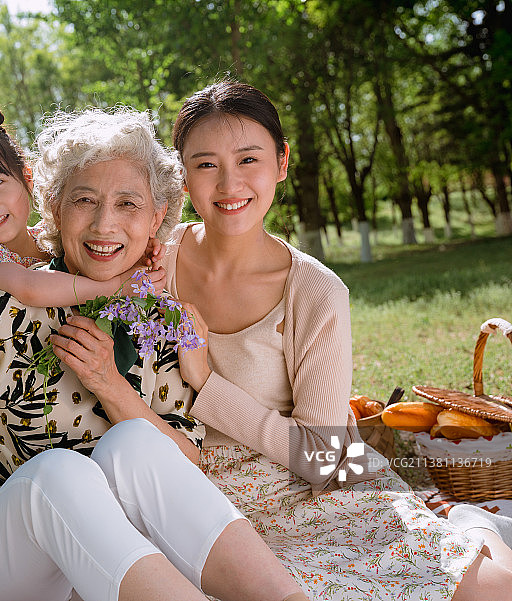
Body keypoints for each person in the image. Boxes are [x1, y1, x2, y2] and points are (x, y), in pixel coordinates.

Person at [0, 107, 309, 601]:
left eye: (128, 204)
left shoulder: (156, 320)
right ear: (55, 210)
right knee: (60, 472)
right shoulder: (10, 302)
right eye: (85, 200)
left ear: (156, 219)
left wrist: (108, 382)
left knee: (136, 443)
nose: (105, 224)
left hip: (101, 560)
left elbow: (184, 458)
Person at [166, 80, 512, 600]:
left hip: (315, 484)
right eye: (206, 164)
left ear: (282, 163)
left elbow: (328, 457)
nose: (229, 183)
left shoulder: (316, 291)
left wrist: (206, 383)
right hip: (198, 492)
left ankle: (471, 525)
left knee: (494, 590)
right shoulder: (155, 258)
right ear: (182, 175)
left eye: (248, 159)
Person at [0, 105, 166, 601]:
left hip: (16, 386)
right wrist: (118, 282)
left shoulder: (51, 238)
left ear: (28, 178)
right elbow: (32, 290)